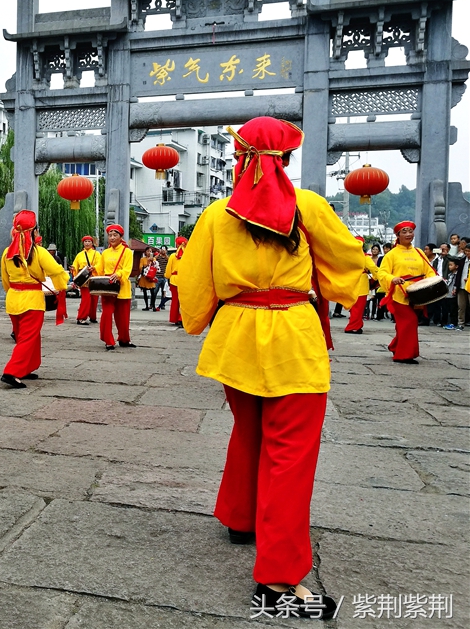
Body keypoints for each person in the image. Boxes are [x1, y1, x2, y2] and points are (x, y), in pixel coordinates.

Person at [179, 116, 364, 619]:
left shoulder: (217, 213)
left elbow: (194, 284)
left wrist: (197, 320)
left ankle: (241, 518)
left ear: (238, 158)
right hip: (293, 337)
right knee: (290, 453)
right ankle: (278, 583)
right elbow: (346, 266)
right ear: (286, 158)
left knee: (250, 428)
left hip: (236, 333)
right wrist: (358, 289)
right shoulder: (309, 206)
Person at [0, 210, 68, 388]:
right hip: (33, 301)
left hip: (13, 299)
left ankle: (27, 367)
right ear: (34, 231)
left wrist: (13, 292)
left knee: (28, 336)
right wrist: (63, 285)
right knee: (27, 338)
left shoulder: (7, 253)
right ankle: (12, 372)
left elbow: (5, 280)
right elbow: (56, 271)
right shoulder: (39, 252)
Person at [377, 221, 437, 363]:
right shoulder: (391, 254)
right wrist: (393, 279)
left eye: (410, 231)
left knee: (404, 324)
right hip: (399, 293)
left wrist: (433, 281)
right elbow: (382, 273)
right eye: (404, 232)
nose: (408, 234)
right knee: (410, 321)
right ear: (398, 235)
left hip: (417, 294)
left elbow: (429, 271)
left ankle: (396, 346)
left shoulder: (419, 252)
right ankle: (404, 355)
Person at [94, 224, 135, 350]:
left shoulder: (127, 251)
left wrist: (119, 275)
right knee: (106, 313)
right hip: (107, 286)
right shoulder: (105, 253)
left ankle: (124, 339)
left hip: (122, 286)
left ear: (120, 237)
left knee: (123, 317)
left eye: (115, 235)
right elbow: (100, 269)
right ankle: (108, 340)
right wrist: (93, 269)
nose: (112, 238)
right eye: (110, 235)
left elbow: (128, 269)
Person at [344, 236, 377, 335]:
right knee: (359, 307)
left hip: (350, 283)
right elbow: (374, 269)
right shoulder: (365, 257)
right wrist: (377, 278)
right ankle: (353, 327)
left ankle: (356, 325)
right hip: (361, 284)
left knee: (354, 307)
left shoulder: (347, 256)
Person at [71, 235, 100, 325]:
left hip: (94, 278)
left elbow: (101, 265)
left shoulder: (97, 254)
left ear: (92, 243)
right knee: (86, 298)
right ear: (83, 243)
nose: (87, 243)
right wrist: (73, 268)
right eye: (85, 241)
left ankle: (92, 316)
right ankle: (81, 317)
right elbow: (75, 265)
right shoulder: (79, 255)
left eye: (89, 241)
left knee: (94, 298)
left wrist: (94, 267)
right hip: (84, 279)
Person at [166, 237, 188, 326]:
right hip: (186, 280)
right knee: (184, 301)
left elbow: (168, 271)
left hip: (174, 280)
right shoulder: (188, 256)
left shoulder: (172, 256)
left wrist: (168, 277)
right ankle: (182, 318)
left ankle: (175, 318)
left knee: (175, 300)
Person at [440, 259, 459, 329]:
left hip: (452, 295)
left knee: (452, 310)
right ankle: (443, 322)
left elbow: (455, 284)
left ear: (456, 266)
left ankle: (453, 323)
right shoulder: (450, 274)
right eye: (449, 265)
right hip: (447, 295)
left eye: (451, 265)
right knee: (445, 309)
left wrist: (455, 289)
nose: (449, 267)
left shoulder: (457, 275)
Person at [137, 246, 157, 310]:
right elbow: (140, 268)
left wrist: (152, 262)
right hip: (144, 277)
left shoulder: (153, 259)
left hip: (151, 277)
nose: (149, 252)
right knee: (144, 292)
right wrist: (147, 263)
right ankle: (146, 306)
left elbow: (156, 267)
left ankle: (153, 306)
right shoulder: (142, 259)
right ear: (145, 252)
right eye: (148, 251)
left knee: (153, 292)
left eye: (150, 251)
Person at [457, 245, 470, 330]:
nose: (467, 253)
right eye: (466, 251)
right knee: (461, 306)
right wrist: (456, 286)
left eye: (469, 251)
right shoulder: (462, 261)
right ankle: (461, 323)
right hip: (461, 286)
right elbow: (458, 274)